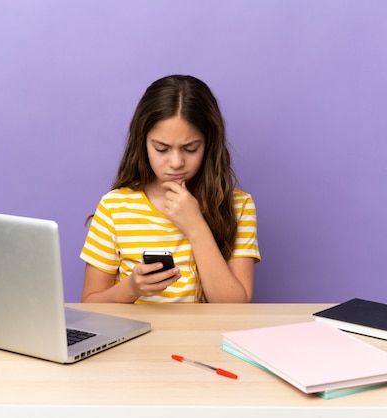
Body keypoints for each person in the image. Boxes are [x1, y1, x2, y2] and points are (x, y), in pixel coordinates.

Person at [80, 75, 260, 303]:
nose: (176, 162)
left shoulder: (239, 206)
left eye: (190, 148)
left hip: (206, 338)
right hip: (139, 338)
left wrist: (195, 226)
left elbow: (235, 306)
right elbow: (89, 306)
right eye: (162, 148)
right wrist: (132, 288)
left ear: (209, 144)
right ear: (142, 143)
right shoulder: (114, 207)